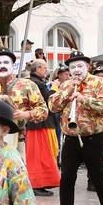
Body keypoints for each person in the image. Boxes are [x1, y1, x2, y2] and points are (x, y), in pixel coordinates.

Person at [47, 52, 103, 205]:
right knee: (67, 179)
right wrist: (68, 95)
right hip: (71, 138)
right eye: (72, 67)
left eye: (80, 66)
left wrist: (83, 98)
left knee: (97, 179)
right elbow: (52, 107)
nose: (76, 70)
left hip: (93, 138)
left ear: (88, 67)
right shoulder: (66, 84)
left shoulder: (99, 83)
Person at [0, 49, 47, 160]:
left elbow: (44, 111)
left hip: (16, 141)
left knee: (17, 175)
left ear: (12, 65)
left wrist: (26, 115)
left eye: (6, 62)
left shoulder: (27, 85)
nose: (2, 66)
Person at [22, 59, 59, 196]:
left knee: (38, 154)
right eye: (44, 68)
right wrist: (54, 87)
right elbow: (51, 101)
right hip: (41, 123)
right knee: (41, 154)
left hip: (34, 123)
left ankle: (39, 183)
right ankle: (38, 184)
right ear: (37, 69)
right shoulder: (38, 84)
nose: (46, 70)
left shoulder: (29, 82)